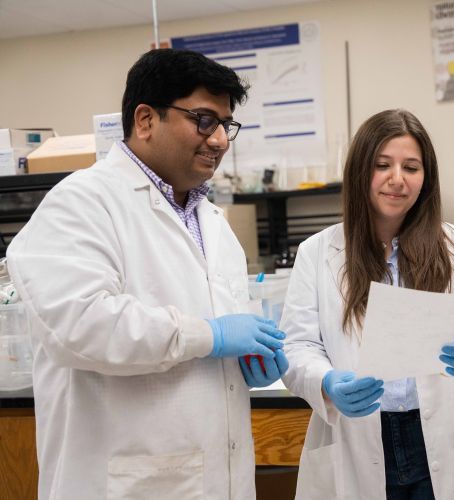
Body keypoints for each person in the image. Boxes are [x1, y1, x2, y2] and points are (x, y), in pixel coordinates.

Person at [7, 49, 289, 499]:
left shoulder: (212, 221)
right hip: (124, 483)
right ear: (145, 120)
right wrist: (210, 336)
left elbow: (219, 328)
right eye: (203, 119)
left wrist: (244, 359)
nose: (219, 140)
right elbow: (79, 325)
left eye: (225, 124)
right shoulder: (81, 202)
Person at [280, 109, 454, 499]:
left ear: (426, 179)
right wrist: (326, 381)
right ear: (361, 171)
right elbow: (298, 346)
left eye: (411, 167)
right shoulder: (317, 252)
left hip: (445, 436)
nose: (397, 179)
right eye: (382, 165)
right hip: (358, 436)